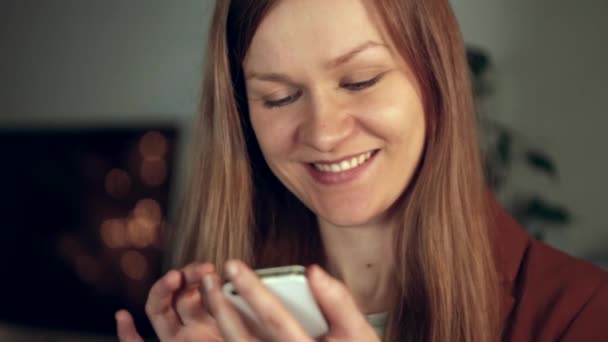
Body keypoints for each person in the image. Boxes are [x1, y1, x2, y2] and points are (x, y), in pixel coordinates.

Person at [115, 0, 608, 341]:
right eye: (280, 97)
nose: (324, 134)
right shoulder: (213, 316)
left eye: (360, 81)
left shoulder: (581, 314)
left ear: (435, 81)